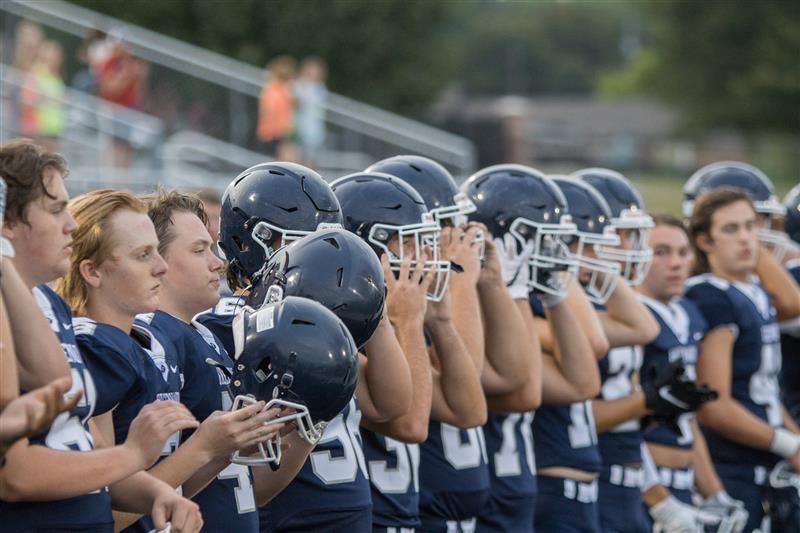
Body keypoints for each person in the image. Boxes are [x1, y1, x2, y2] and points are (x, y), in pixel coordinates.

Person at [0, 139, 201, 533]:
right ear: (9, 224)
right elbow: (16, 474)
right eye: (56, 208)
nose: (70, 224)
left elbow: (68, 410)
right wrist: (133, 455)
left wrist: (156, 492)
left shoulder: (44, 302)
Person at [137, 189, 314, 532]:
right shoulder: (155, 339)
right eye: (199, 250)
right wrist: (207, 447)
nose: (218, 263)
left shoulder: (200, 335)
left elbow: (233, 483)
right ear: (154, 259)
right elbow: (133, 496)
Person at [686, 188, 800, 531]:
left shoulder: (752, 291)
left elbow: (763, 392)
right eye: (731, 229)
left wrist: (795, 442)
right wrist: (787, 443)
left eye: (751, 227)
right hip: (730, 463)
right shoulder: (711, 295)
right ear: (704, 240)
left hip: (759, 459)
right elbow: (713, 403)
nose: (746, 239)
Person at [636, 213, 748, 532]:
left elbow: (689, 416)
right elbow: (624, 426)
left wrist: (715, 492)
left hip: (685, 481)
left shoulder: (688, 314)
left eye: (683, 253)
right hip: (645, 480)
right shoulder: (634, 317)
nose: (676, 263)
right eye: (661, 252)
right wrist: (657, 497)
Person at [257, 56, 296, 156]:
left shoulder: (281, 90)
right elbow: (270, 112)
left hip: (278, 132)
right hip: (273, 133)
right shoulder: (274, 90)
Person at [294, 57, 327, 165]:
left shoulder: (320, 87)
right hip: (299, 126)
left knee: (311, 159)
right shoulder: (299, 85)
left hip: (313, 129)